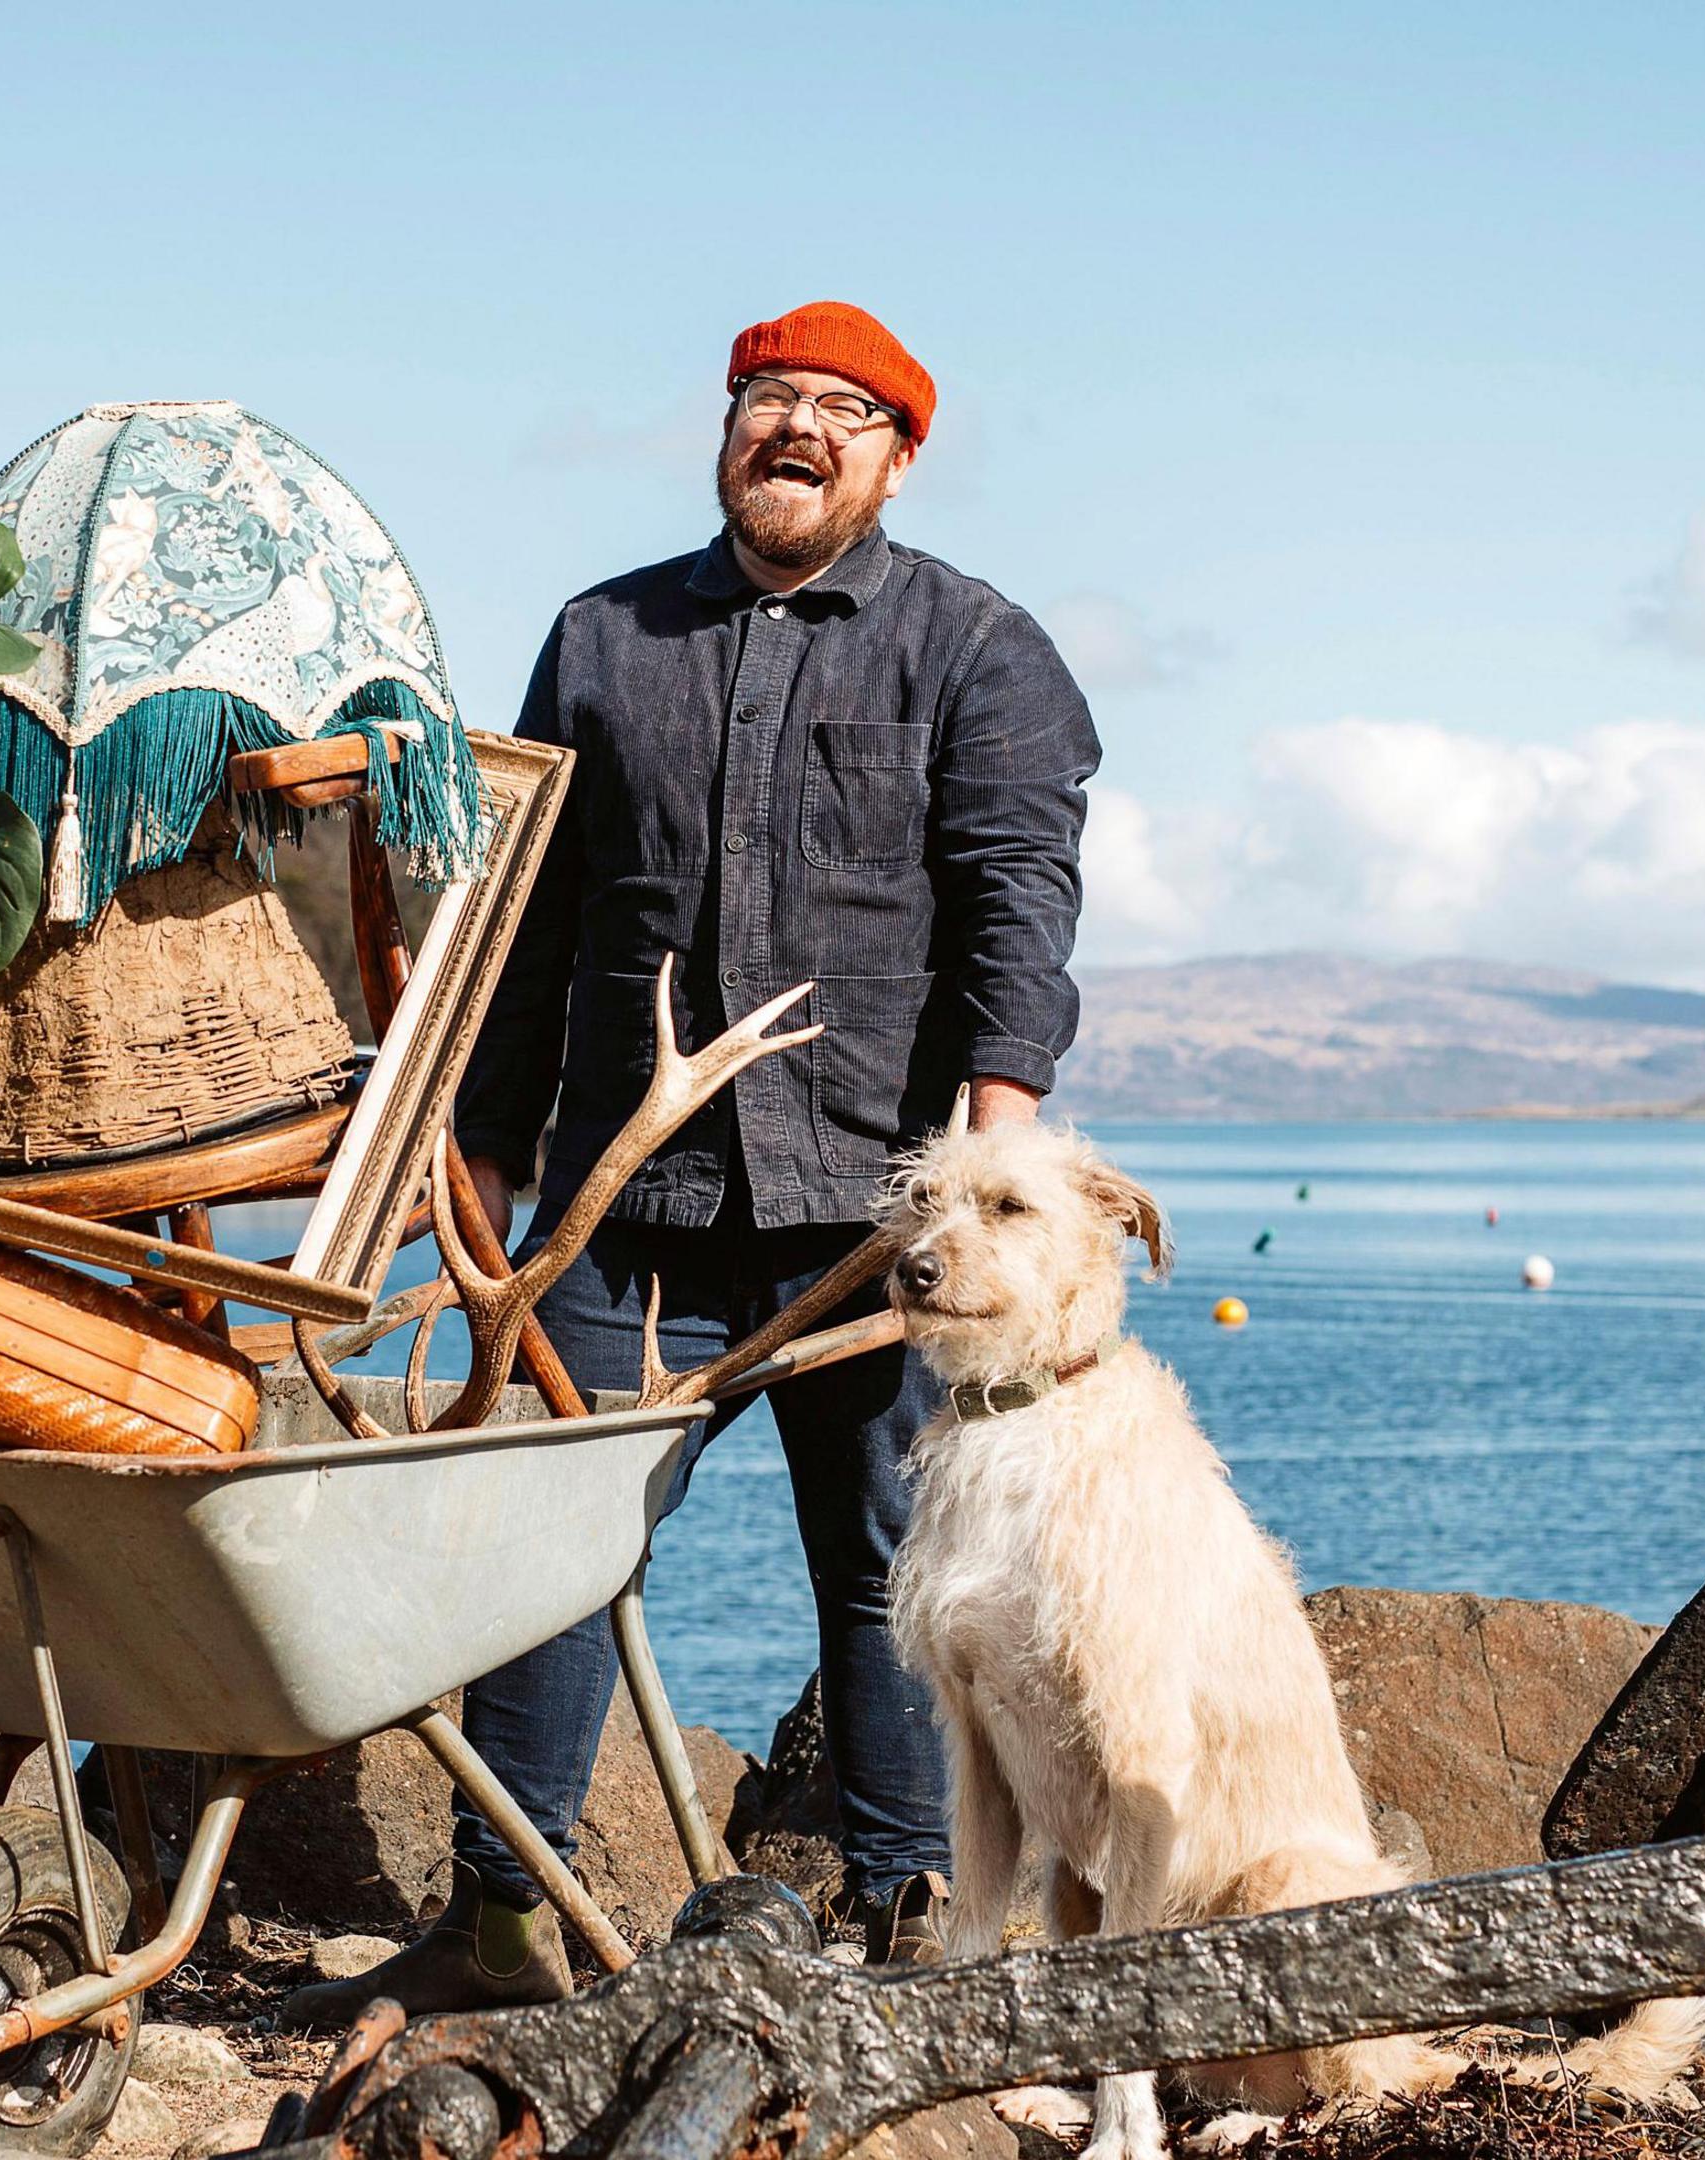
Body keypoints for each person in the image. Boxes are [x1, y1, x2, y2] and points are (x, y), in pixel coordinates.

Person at [287, 300, 1100, 2022]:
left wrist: (1000, 1134)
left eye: (839, 410)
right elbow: (530, 920)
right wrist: (489, 1140)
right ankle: (503, 1923)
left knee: (900, 1570)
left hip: (879, 1215)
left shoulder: (980, 649)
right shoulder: (601, 638)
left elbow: (1022, 900)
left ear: (897, 453)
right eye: (766, 401)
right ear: (725, 428)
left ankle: (911, 1919)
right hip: (620, 1208)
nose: (795, 430)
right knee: (548, 1545)